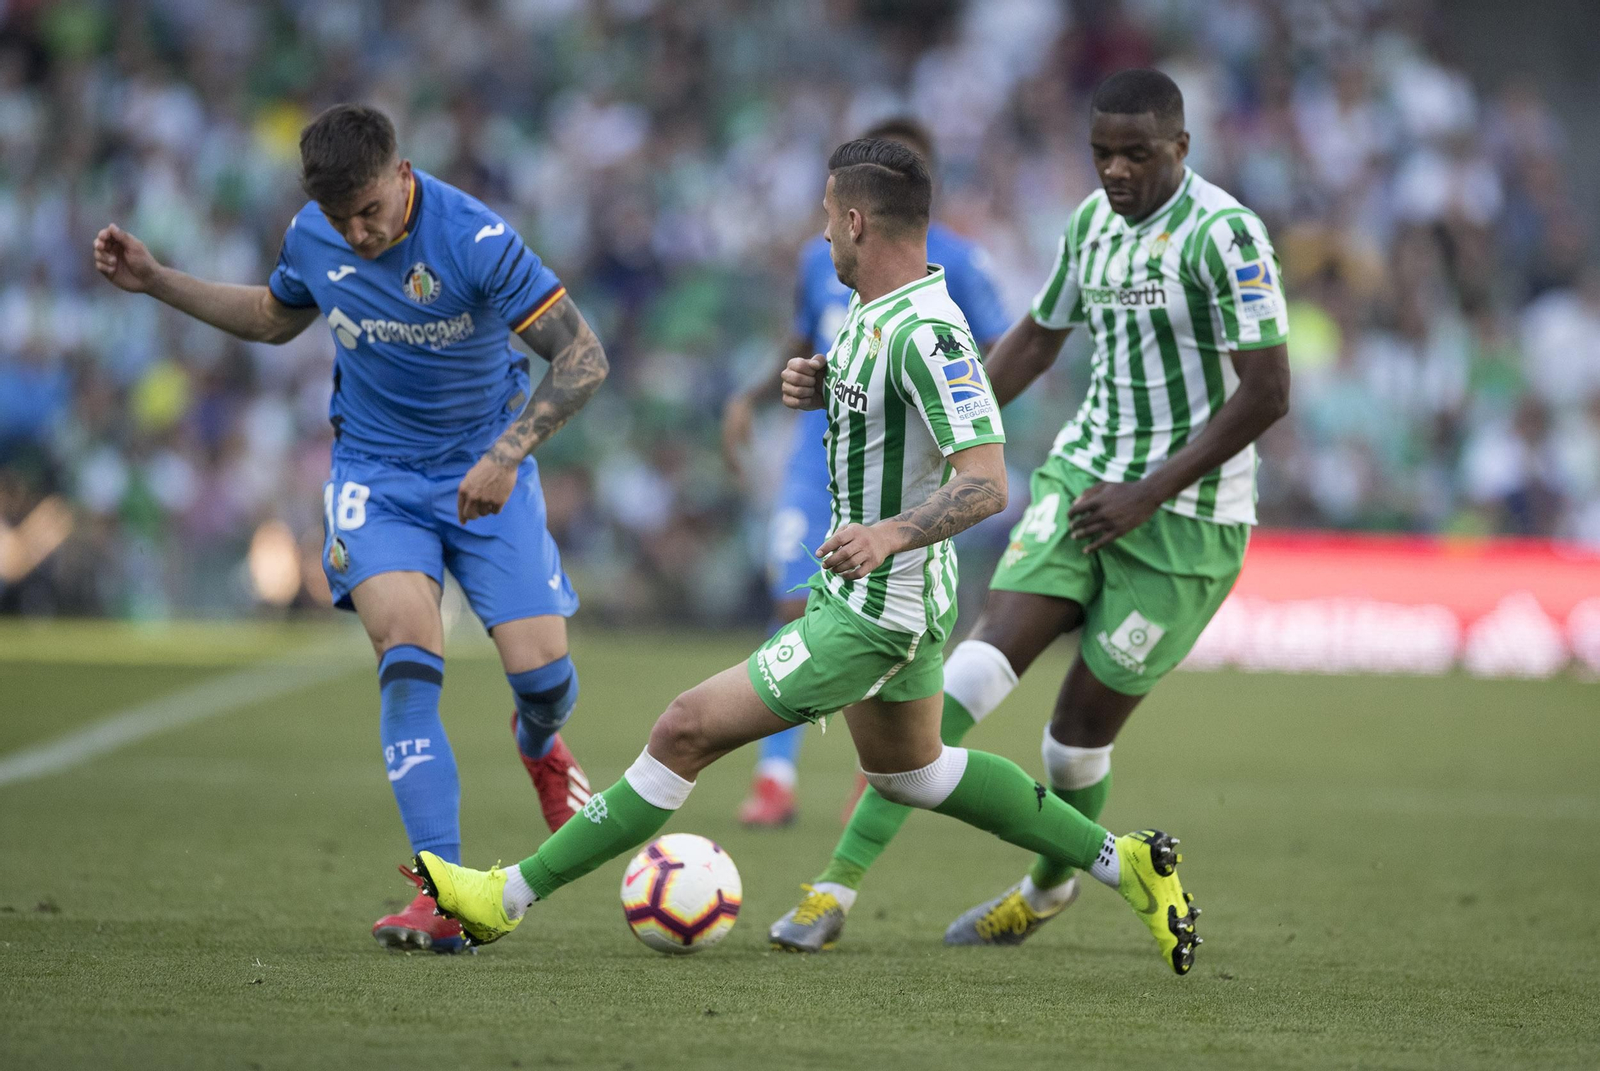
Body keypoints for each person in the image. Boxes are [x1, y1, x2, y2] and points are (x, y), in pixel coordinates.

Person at [409, 138, 1202, 977]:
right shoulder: (875, 313)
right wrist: (830, 386)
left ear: (856, 220)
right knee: (915, 774)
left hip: (876, 607)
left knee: (683, 727)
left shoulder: (932, 334)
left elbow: (987, 481)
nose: (823, 237)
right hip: (875, 594)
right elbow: (898, 416)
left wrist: (891, 532)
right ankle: (1129, 863)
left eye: (828, 220)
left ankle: (502, 899)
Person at [770, 68, 1289, 953]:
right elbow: (1036, 342)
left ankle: (1050, 888)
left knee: (1072, 747)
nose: (1115, 171)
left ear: (1181, 149)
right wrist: (937, 440)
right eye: (1101, 154)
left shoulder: (1226, 235)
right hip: (1084, 483)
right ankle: (833, 888)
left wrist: (1149, 492)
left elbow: (1269, 391)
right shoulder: (1089, 227)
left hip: (1187, 521)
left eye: (1136, 154)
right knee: (968, 677)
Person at [92, 104, 609, 954]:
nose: (359, 235)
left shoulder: (474, 239)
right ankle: (444, 892)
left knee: (544, 677)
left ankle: (541, 744)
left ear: (403, 175)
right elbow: (271, 316)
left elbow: (584, 356)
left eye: (371, 211)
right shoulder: (313, 234)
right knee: (408, 657)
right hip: (376, 477)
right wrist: (157, 279)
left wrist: (510, 453)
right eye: (343, 220)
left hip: (489, 470)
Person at [721, 117, 1010, 827]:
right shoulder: (821, 261)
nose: (827, 229)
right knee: (792, 601)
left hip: (901, 476)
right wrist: (764, 393)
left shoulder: (957, 269)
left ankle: (880, 770)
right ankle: (777, 778)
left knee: (883, 644)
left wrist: (947, 425)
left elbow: (995, 356)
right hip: (816, 461)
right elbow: (810, 334)